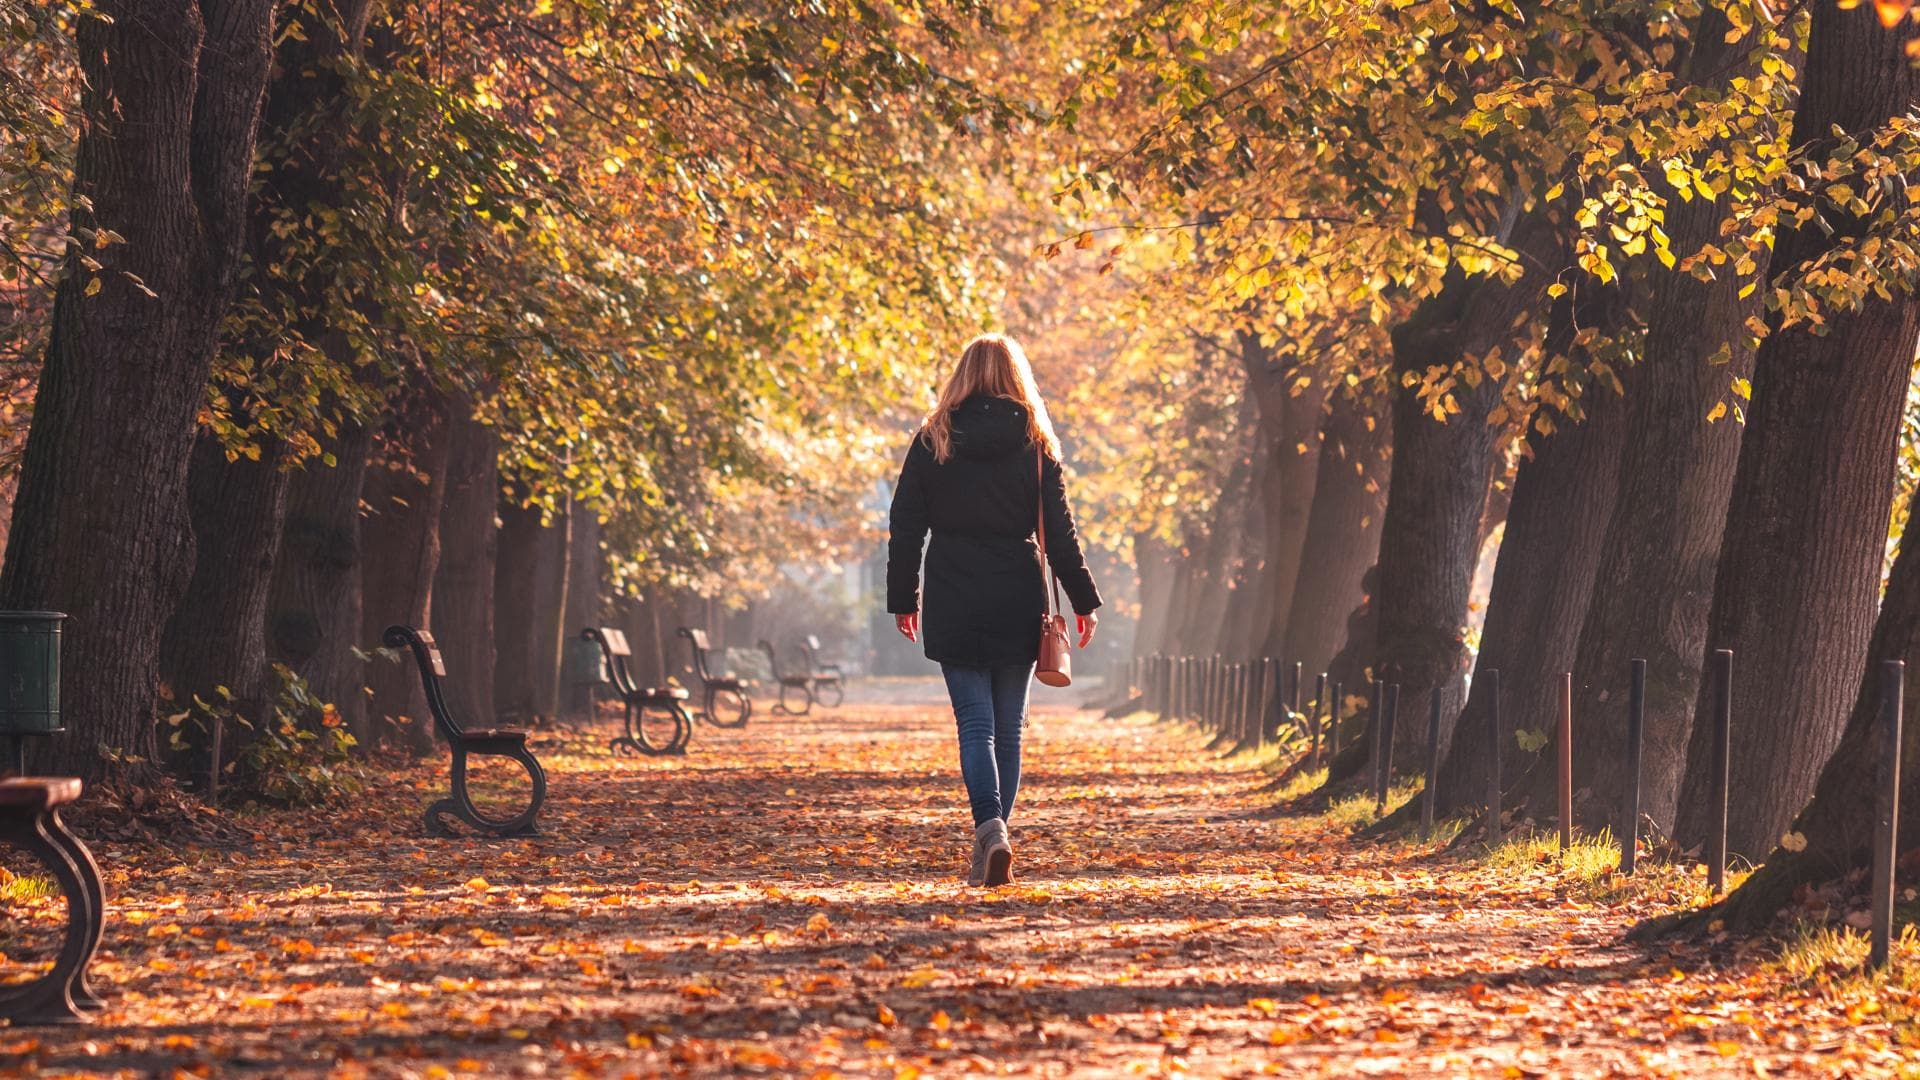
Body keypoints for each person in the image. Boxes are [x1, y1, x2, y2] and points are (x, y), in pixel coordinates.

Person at [885, 333, 1101, 887]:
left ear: (962, 375)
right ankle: (998, 831)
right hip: (1016, 591)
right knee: (1009, 728)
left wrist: (903, 598)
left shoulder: (933, 438)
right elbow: (1060, 534)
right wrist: (1084, 601)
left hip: (954, 589)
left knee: (974, 725)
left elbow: (906, 525)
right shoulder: (1034, 443)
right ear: (1016, 376)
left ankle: (990, 833)